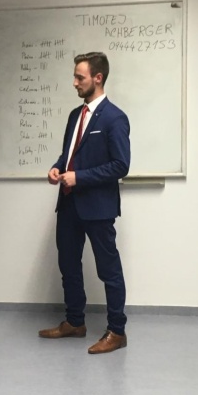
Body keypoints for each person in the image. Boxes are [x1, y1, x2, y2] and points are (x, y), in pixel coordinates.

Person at [39, 52, 131, 354]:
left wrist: (79, 177)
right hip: (68, 206)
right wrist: (57, 168)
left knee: (109, 270)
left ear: (98, 78)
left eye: (80, 77)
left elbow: (121, 165)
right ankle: (75, 322)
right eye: (75, 76)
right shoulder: (73, 116)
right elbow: (68, 155)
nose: (75, 82)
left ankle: (117, 331)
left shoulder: (115, 118)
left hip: (98, 208)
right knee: (68, 265)